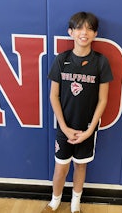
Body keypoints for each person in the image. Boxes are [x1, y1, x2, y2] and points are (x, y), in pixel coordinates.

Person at [43, 12, 113, 213]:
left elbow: (103, 99)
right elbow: (53, 96)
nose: (85, 32)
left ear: (95, 33)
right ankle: (54, 202)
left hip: (87, 129)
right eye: (80, 28)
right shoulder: (62, 59)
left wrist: (90, 130)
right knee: (61, 167)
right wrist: (64, 127)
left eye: (90, 28)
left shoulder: (101, 62)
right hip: (64, 127)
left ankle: (75, 205)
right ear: (70, 32)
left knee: (80, 166)